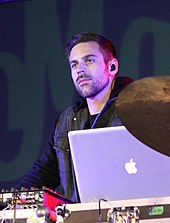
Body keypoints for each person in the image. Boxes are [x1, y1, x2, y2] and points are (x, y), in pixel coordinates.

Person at [16, 32, 133, 202]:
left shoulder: (137, 109)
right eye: (74, 64)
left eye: (89, 60)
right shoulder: (67, 120)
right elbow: (44, 172)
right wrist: (10, 201)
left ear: (112, 67)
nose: (80, 70)